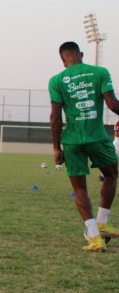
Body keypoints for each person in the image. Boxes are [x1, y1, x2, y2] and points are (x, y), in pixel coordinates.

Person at [49, 41, 119, 252]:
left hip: (72, 141)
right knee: (111, 174)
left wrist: (56, 147)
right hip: (97, 137)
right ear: (81, 54)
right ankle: (102, 221)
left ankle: (95, 237)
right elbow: (113, 106)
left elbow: (55, 118)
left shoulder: (56, 80)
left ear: (63, 60)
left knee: (79, 188)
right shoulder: (100, 72)